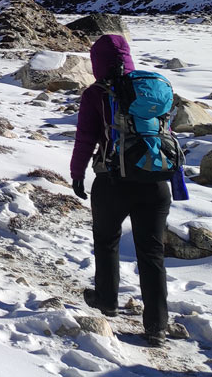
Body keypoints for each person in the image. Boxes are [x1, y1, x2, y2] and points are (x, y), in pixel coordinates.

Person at [70, 34, 171, 347]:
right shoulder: (153, 88)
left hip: (113, 181)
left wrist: (77, 174)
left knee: (107, 241)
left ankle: (107, 301)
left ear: (97, 61)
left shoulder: (96, 94)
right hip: (155, 182)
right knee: (152, 253)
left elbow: (86, 138)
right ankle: (157, 325)